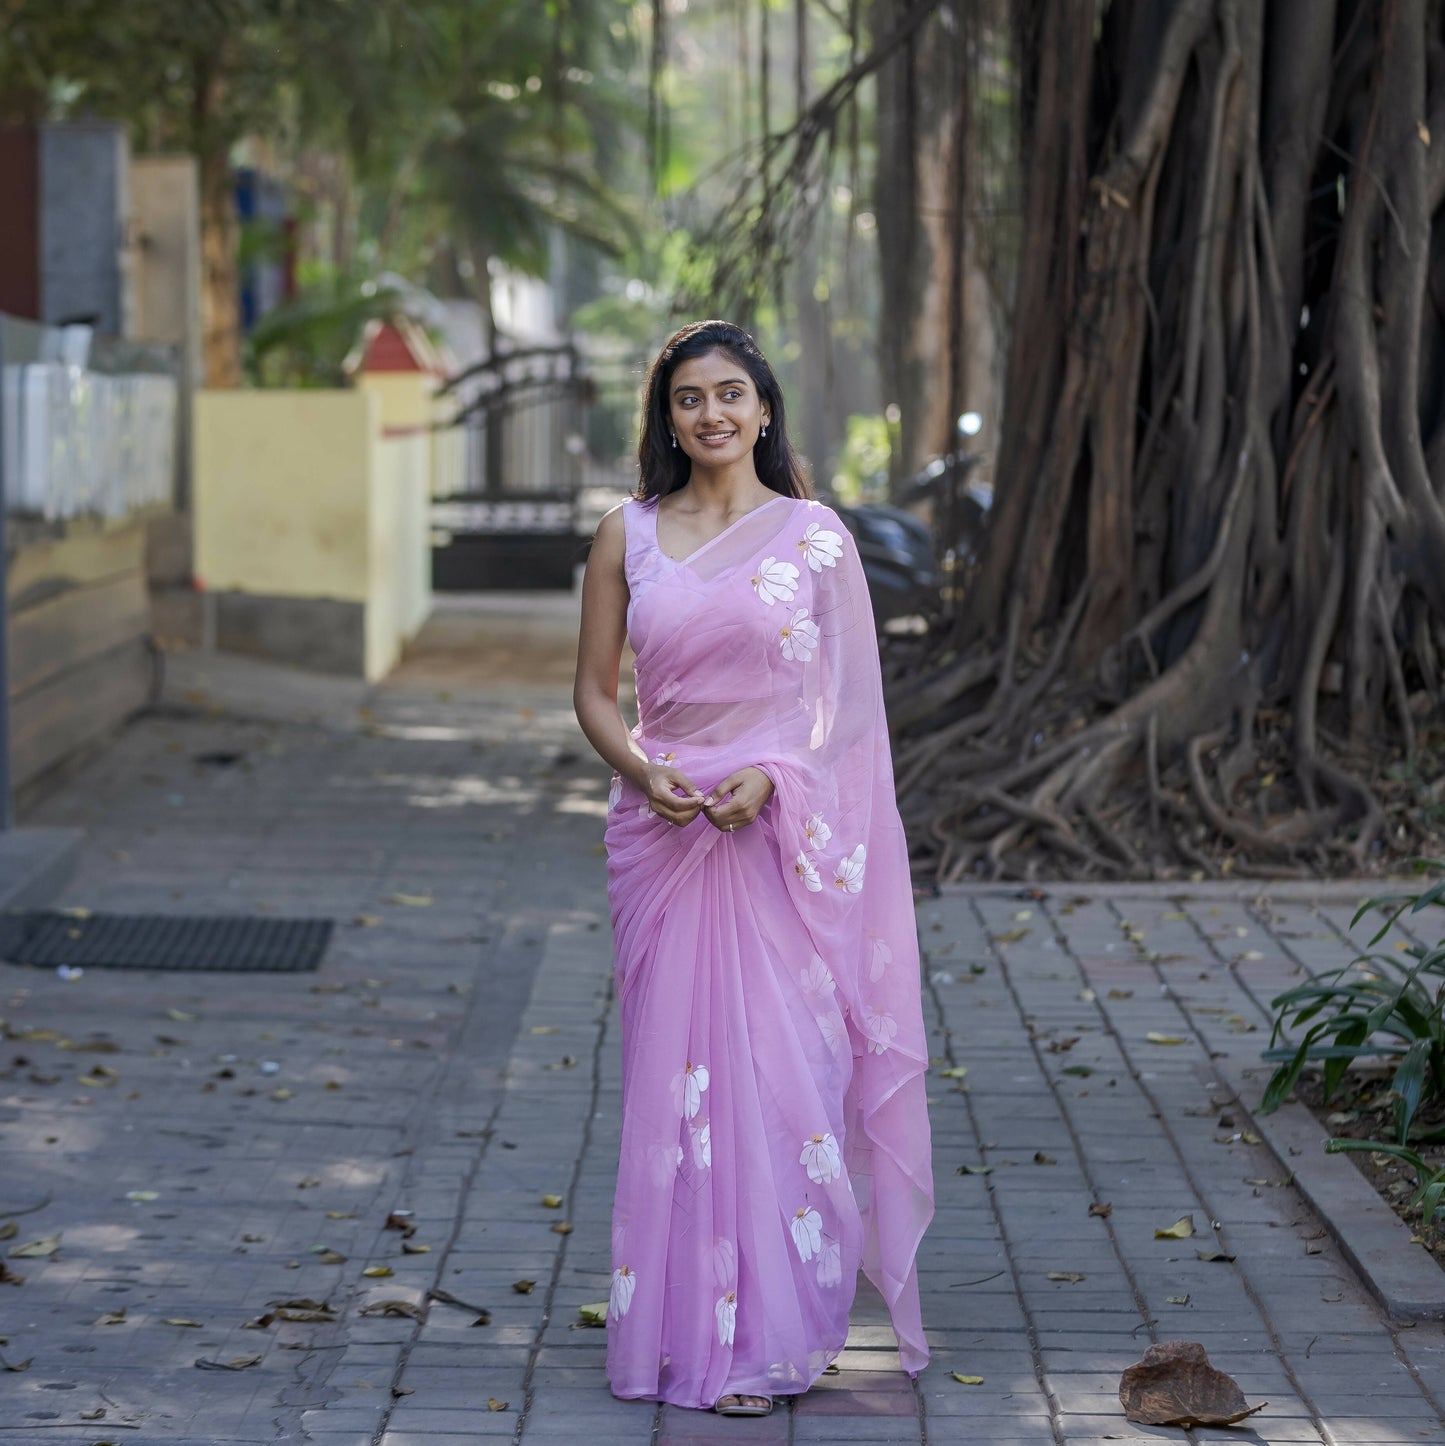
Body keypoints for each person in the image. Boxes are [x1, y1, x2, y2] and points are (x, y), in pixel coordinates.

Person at [573, 319, 934, 1417]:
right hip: (664, 832)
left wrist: (774, 781)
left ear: (764, 410)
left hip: (778, 839)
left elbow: (847, 726)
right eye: (689, 398)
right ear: (666, 418)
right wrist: (643, 773)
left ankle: (779, 1330)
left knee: (786, 1078)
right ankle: (696, 1336)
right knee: (678, 1091)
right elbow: (592, 692)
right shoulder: (623, 535)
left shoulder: (816, 539)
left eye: (731, 393)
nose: (712, 414)